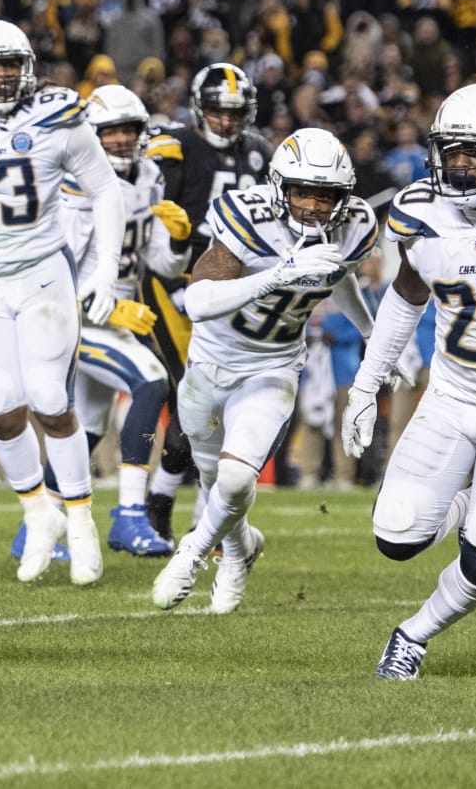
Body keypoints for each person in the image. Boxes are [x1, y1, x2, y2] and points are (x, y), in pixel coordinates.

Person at [0, 18, 128, 586]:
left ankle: (82, 517)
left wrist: (104, 271)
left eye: (8, 64)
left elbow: (106, 188)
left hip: (42, 271)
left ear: (27, 68)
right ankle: (39, 513)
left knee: (47, 397)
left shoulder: (58, 116)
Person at [152, 127, 379, 614]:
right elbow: (198, 299)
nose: (315, 207)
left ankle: (192, 553)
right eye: (303, 193)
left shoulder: (356, 224)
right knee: (216, 479)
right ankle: (240, 550)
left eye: (327, 196)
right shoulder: (248, 216)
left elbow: (339, 277)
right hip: (212, 360)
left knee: (235, 480)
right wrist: (276, 274)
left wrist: (370, 331)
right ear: (280, 187)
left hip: (274, 363)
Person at [340, 84, 476, 679]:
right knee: (396, 534)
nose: (462, 164)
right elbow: (406, 297)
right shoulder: (421, 209)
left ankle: (412, 636)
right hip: (451, 394)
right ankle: (475, 503)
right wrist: (366, 385)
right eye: (453, 150)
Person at [143, 62, 274, 541]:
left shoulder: (259, 153)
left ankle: (174, 502)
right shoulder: (174, 147)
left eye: (235, 113)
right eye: (218, 111)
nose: (226, 121)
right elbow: (156, 224)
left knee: (216, 399)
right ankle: (165, 501)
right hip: (176, 279)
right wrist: (178, 278)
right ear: (200, 109)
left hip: (231, 288)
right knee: (194, 394)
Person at [63, 84, 189, 556]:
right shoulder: (76, 185)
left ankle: (38, 527)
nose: (119, 140)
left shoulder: (150, 175)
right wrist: (107, 306)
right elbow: (56, 272)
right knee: (152, 381)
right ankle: (131, 516)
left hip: (118, 314)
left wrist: (178, 242)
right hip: (76, 317)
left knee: (88, 427)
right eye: (109, 131)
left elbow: (159, 263)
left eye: (128, 130)